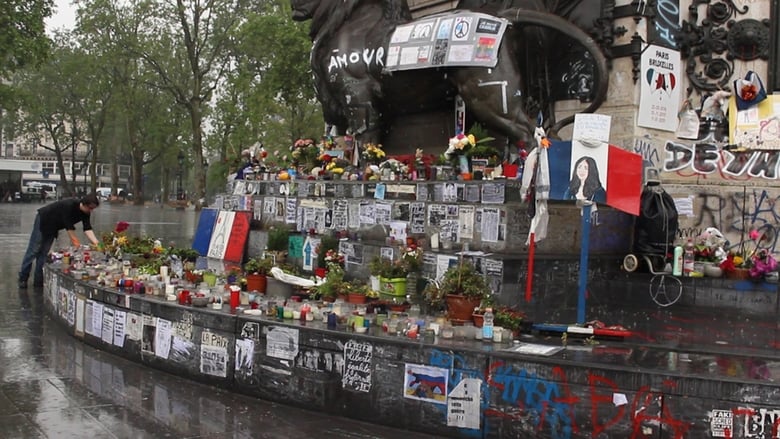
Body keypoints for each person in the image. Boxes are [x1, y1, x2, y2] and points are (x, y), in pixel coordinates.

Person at [18, 193, 101, 289]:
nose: (91, 210)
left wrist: (97, 244)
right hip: (43, 219)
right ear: (84, 204)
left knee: (44, 253)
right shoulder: (69, 205)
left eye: (93, 209)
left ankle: (38, 280)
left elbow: (87, 228)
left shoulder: (86, 213)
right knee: (33, 250)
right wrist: (76, 244)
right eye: (90, 208)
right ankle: (23, 278)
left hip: (53, 227)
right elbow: (69, 227)